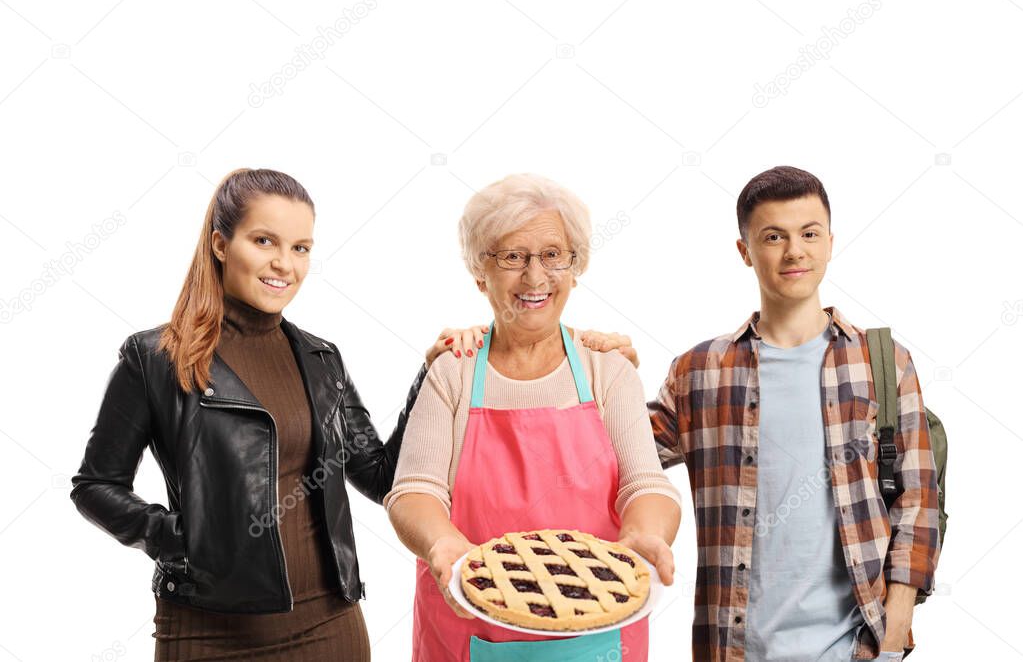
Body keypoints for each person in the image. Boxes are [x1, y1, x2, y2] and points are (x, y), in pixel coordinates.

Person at [70, 168, 479, 661]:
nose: (284, 264)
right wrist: (179, 539)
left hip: (330, 625)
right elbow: (95, 485)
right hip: (206, 632)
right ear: (222, 244)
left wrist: (428, 376)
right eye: (265, 241)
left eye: (301, 248)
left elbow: (380, 475)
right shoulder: (155, 358)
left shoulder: (321, 359)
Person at [585, 166, 941, 660]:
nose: (795, 251)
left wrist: (895, 629)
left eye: (809, 234)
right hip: (732, 647)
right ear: (745, 251)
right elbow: (605, 453)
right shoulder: (699, 372)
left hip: (855, 647)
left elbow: (918, 501)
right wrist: (598, 372)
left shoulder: (882, 361)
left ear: (830, 242)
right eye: (774, 237)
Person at [385, 173, 682, 661]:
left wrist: (645, 533)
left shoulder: (606, 369)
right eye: (512, 257)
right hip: (469, 630)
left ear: (575, 264)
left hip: (597, 634)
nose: (535, 277)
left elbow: (645, 484)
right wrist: (441, 543)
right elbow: (415, 490)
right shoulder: (453, 372)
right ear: (480, 272)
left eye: (552, 255)